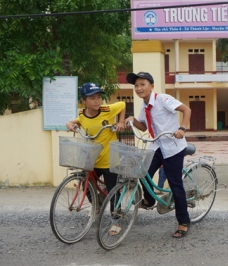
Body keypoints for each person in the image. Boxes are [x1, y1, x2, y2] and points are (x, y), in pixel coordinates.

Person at [124, 71, 192, 238]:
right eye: (136, 85)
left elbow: (186, 109)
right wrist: (132, 119)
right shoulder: (144, 105)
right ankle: (149, 199)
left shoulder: (163, 99)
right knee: (143, 173)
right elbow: (144, 127)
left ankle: (183, 222)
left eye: (142, 84)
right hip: (157, 146)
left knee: (175, 184)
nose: (139, 88)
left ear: (151, 86)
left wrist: (182, 128)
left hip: (173, 147)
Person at [66, 82, 126, 235]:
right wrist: (69, 123)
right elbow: (79, 121)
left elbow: (122, 104)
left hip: (110, 158)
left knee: (113, 189)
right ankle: (96, 205)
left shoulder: (107, 110)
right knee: (86, 184)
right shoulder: (82, 115)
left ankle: (116, 220)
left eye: (99, 97)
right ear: (84, 101)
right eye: (92, 98)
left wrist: (120, 121)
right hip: (92, 159)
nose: (97, 101)